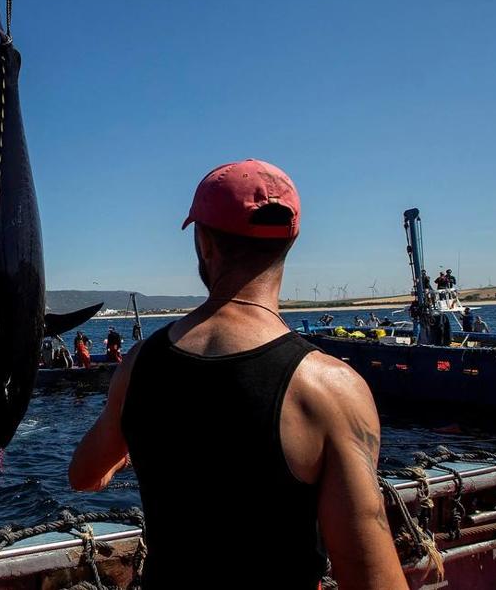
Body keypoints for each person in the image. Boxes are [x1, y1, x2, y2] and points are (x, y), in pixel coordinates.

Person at [69, 159, 406, 589]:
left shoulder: (139, 364)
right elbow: (369, 576)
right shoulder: (329, 388)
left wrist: (144, 439)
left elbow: (84, 476)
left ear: (205, 243)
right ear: (291, 240)